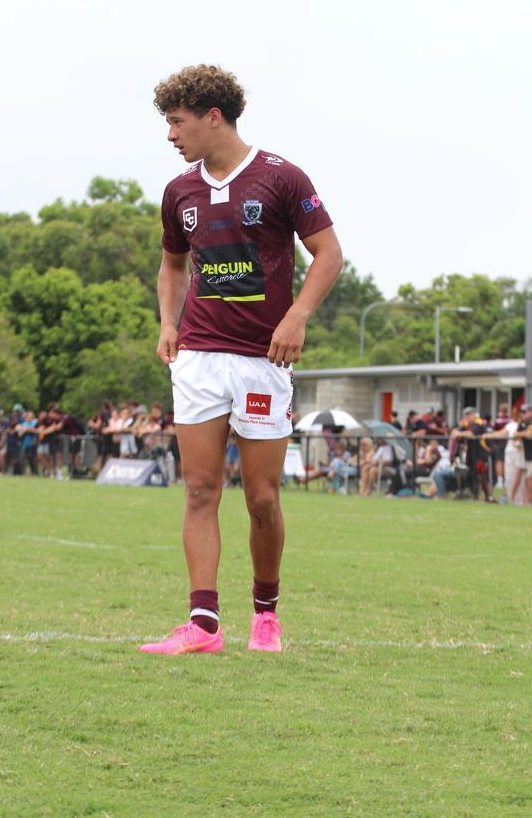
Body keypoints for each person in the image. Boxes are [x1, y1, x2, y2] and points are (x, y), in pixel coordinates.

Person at [140, 65, 343, 656]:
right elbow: (173, 266)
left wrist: (298, 315)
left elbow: (328, 254)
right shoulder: (180, 191)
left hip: (262, 361)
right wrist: (168, 323)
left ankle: (266, 613)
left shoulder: (281, 178)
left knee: (261, 498)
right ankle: (203, 625)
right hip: (200, 357)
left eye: (177, 122)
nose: (171, 136)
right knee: (200, 489)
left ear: (212, 116)